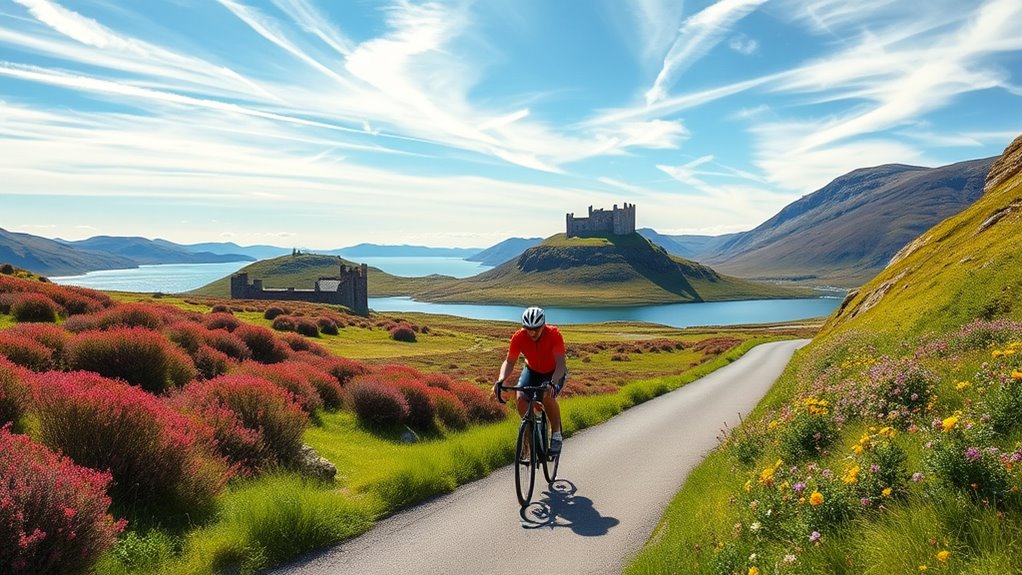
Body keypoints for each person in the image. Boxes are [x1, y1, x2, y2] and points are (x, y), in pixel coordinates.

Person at [493, 306, 567, 455]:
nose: (532, 332)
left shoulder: (554, 335)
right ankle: (530, 434)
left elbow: (560, 363)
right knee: (521, 398)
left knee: (548, 395)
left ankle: (557, 434)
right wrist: (501, 380)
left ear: (543, 326)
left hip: (554, 372)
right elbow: (509, 362)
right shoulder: (519, 337)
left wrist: (553, 381)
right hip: (532, 370)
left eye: (536, 328)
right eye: (528, 328)